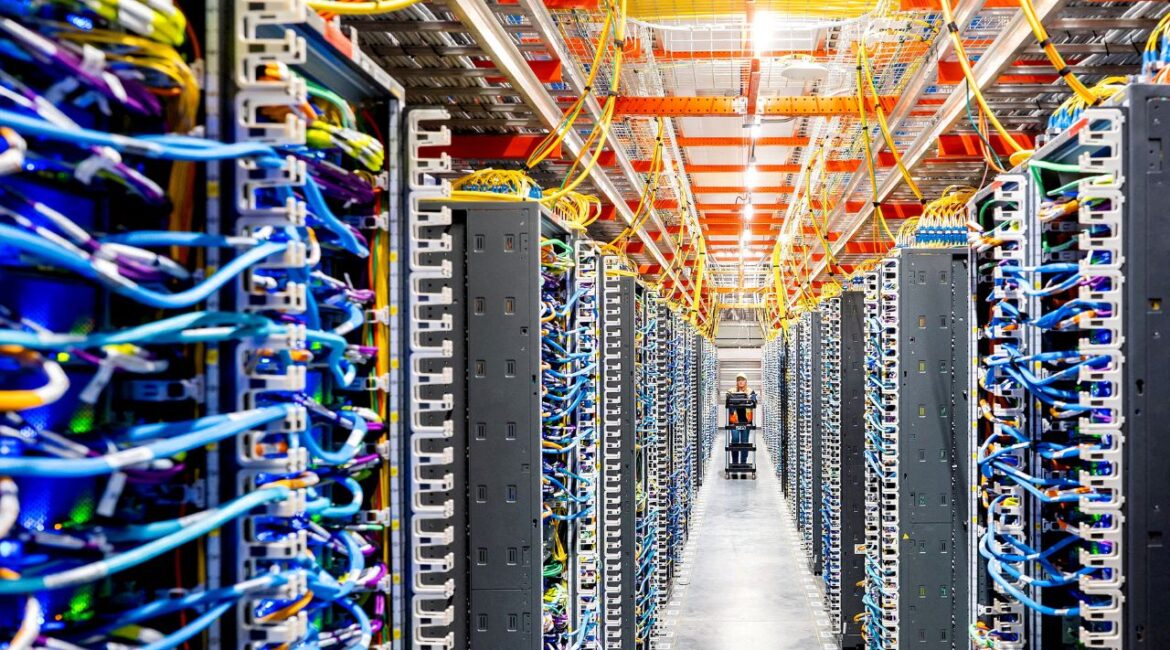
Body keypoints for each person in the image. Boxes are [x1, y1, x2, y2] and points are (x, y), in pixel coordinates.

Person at [725, 373, 757, 466]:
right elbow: (727, 400)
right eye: (739, 380)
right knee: (734, 440)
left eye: (742, 380)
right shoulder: (731, 391)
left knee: (744, 442)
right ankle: (735, 463)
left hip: (746, 422)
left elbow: (754, 401)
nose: (740, 381)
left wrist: (751, 398)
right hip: (734, 421)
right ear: (736, 381)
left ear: (746, 381)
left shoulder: (750, 391)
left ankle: (743, 462)